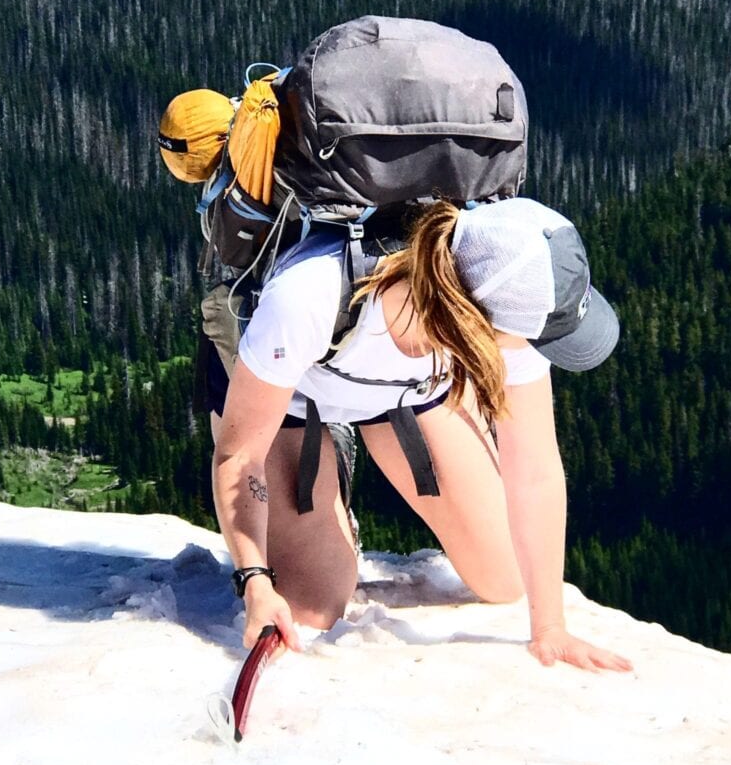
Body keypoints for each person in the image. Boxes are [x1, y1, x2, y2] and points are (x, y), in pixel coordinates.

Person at [210, 195, 633, 674]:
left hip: (408, 391)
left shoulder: (510, 310)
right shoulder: (309, 296)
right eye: (539, 338)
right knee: (310, 608)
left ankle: (354, 440)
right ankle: (333, 462)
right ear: (475, 323)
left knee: (507, 577)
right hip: (289, 394)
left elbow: (535, 470)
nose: (540, 349)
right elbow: (240, 454)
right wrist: (256, 582)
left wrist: (550, 627)